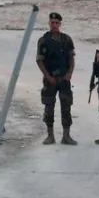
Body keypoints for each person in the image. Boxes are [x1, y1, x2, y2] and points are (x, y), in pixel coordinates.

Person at [36, 11, 76, 145]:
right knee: (48, 107)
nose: (54, 25)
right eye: (52, 23)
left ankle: (66, 136)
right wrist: (47, 76)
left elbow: (71, 58)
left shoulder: (66, 39)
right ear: (49, 23)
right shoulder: (44, 41)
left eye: (56, 23)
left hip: (64, 78)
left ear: (60, 24)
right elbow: (39, 60)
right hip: (50, 79)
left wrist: (70, 72)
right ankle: (50, 136)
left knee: (66, 106)